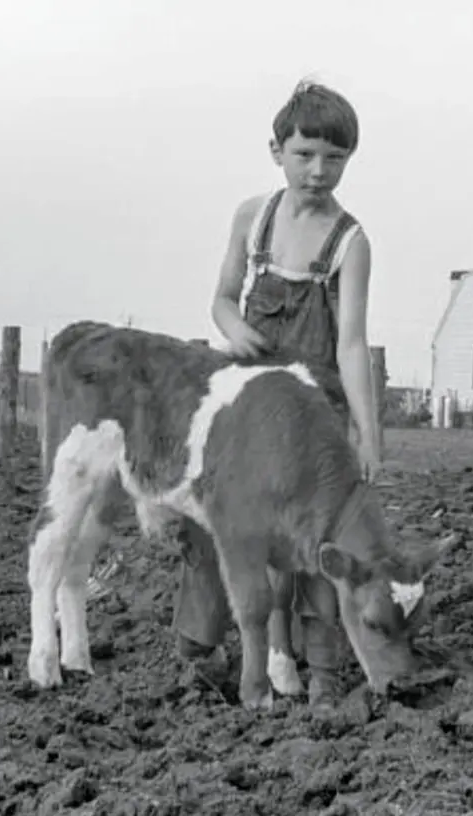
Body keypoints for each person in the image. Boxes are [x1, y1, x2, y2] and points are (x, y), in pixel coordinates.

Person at [172, 79, 383, 709]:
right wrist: (233, 327)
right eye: (304, 155)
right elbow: (221, 298)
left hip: (314, 417)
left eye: (335, 159)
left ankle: (323, 675)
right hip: (249, 409)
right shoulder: (252, 218)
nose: (319, 171)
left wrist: (367, 434)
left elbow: (352, 344)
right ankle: (207, 647)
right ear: (276, 151)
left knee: (317, 541)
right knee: (221, 523)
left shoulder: (350, 243)